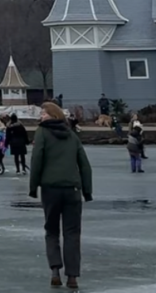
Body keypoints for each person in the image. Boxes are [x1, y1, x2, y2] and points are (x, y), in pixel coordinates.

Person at [29, 101, 93, 290]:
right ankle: (72, 276)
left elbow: (37, 160)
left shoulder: (42, 133)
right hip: (72, 189)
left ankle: (55, 271)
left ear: (53, 115)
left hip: (51, 189)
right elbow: (84, 164)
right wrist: (87, 191)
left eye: (43, 113)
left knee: (51, 230)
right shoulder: (72, 136)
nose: (40, 116)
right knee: (72, 233)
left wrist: (33, 187)